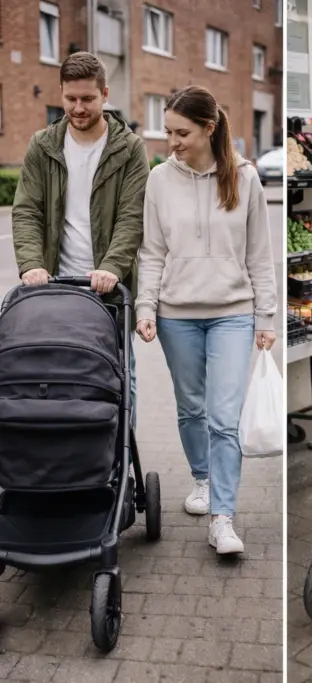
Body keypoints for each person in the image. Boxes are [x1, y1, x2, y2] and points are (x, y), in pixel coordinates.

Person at [135, 86, 277, 556]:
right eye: (168, 131)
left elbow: (260, 255)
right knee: (190, 408)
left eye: (181, 132)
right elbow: (152, 252)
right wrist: (146, 306)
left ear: (208, 129)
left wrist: (266, 316)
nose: (171, 141)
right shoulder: (159, 180)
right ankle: (201, 477)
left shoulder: (246, 179)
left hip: (233, 314)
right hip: (177, 315)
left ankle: (223, 517)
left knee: (223, 417)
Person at [11, 51, 148, 428]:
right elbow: (26, 211)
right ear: (61, 94)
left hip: (108, 289)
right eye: (70, 99)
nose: (78, 107)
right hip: (55, 287)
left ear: (104, 94)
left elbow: (131, 218)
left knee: (121, 378)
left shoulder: (129, 148)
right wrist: (32, 264)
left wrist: (111, 268)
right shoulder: (43, 145)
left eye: (87, 98)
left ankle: (120, 465)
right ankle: (69, 459)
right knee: (57, 378)